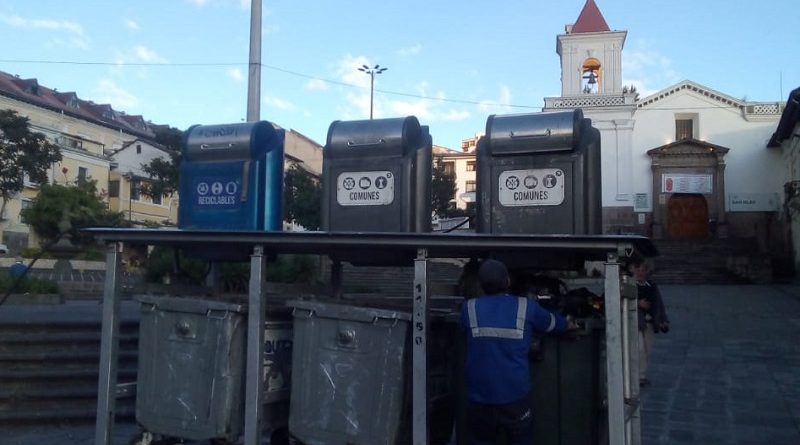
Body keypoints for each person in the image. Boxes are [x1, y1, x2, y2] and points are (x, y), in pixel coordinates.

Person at [460, 259, 575, 445]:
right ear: (507, 282)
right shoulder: (526, 307)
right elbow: (555, 324)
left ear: (481, 284)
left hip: (479, 397)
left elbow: (462, 329)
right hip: (514, 397)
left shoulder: (469, 308)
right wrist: (569, 323)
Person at [631, 258, 669, 387]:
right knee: (639, 348)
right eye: (638, 269)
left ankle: (641, 375)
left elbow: (659, 303)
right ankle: (635, 375)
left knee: (647, 349)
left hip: (650, 321)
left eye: (643, 270)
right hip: (636, 321)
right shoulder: (630, 285)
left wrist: (663, 320)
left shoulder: (652, 285)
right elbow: (620, 300)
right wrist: (638, 303)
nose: (641, 272)